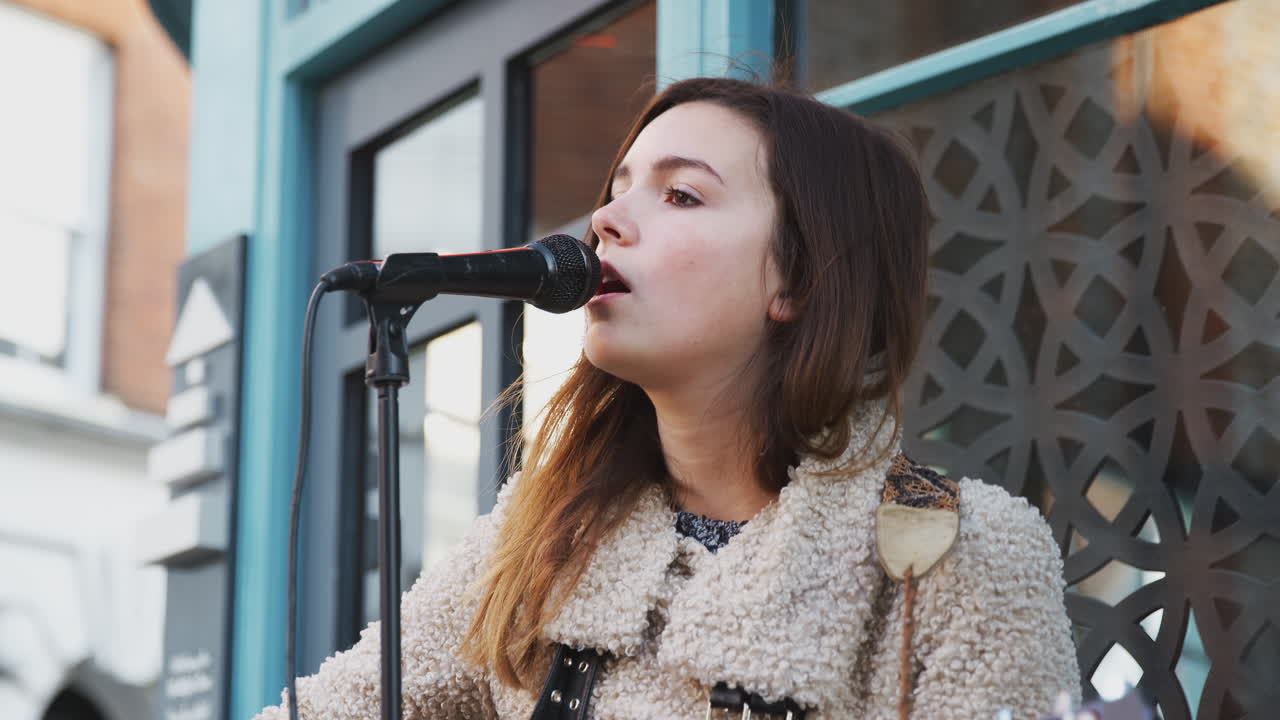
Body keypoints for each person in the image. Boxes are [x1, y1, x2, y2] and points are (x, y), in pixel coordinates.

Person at [254, 77, 1080, 720]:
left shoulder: (963, 553)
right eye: (617, 189)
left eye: (681, 194)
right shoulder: (539, 538)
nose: (607, 218)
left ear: (798, 276)